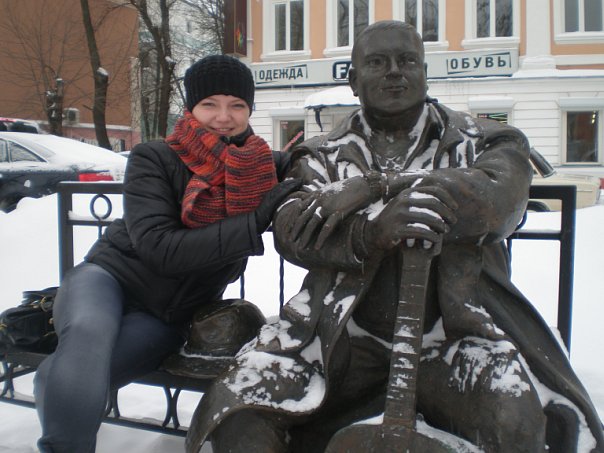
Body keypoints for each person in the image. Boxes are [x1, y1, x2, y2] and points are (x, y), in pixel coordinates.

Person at [185, 22, 604, 453]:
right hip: (339, 339)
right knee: (240, 416)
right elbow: (293, 229)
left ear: (424, 72)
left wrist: (378, 186)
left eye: (407, 61)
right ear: (353, 80)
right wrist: (371, 233)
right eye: (377, 62)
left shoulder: (485, 140)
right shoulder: (320, 154)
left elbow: (500, 200)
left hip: (453, 340)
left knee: (512, 416)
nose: (394, 72)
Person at [33, 54, 301, 453]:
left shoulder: (262, 167)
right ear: (191, 108)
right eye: (210, 104)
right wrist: (253, 222)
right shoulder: (155, 157)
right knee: (88, 333)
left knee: (57, 374)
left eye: (237, 105)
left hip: (166, 315)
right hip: (108, 279)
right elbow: (160, 249)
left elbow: (316, 160)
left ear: (249, 110)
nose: (223, 116)